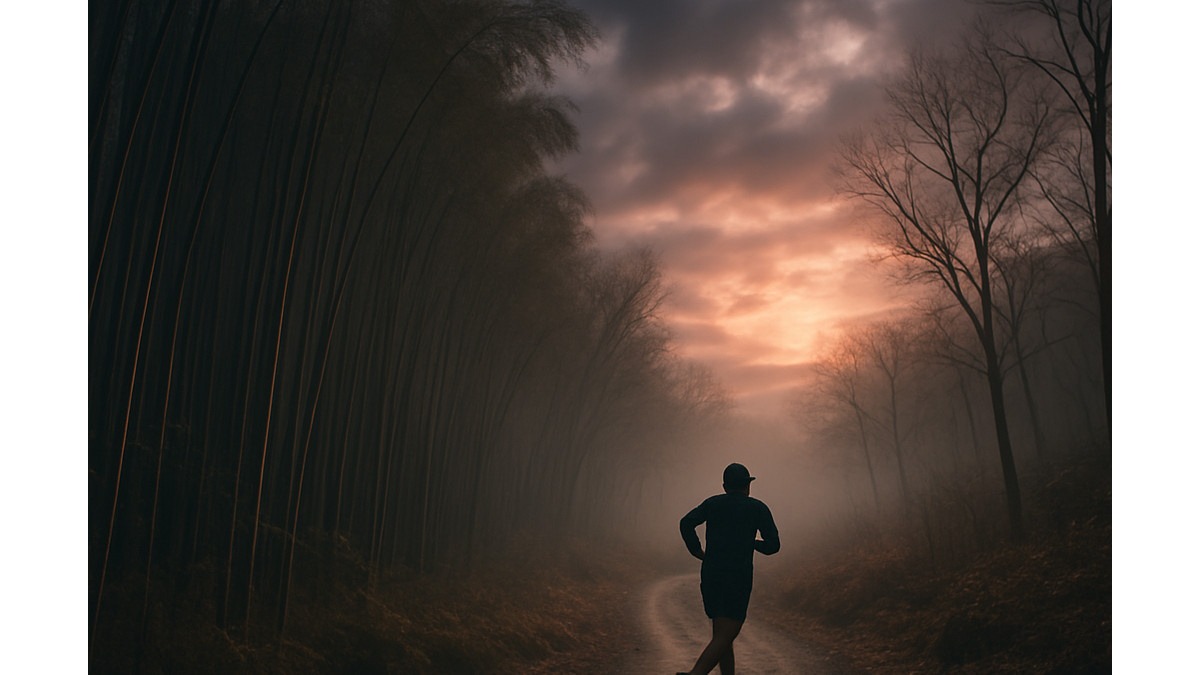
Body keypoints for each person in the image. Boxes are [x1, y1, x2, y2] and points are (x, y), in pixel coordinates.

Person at [676, 463, 779, 675]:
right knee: (726, 635)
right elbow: (773, 546)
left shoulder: (712, 504)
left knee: (722, 636)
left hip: (711, 574)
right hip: (737, 577)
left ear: (725, 486)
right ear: (747, 486)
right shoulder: (757, 508)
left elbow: (686, 522)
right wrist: (750, 543)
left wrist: (696, 550)